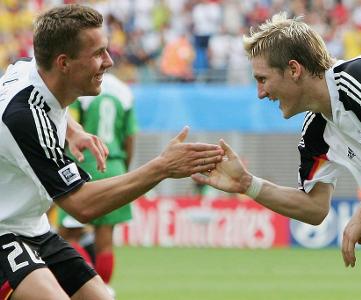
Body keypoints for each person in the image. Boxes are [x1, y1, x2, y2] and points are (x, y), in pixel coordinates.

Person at [192, 12, 361, 299]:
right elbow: (314, 208)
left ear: (293, 69)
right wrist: (247, 184)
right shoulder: (317, 129)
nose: (260, 93)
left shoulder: (357, 79)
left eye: (263, 79)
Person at [0, 4, 223, 300]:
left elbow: (41, 102)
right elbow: (82, 205)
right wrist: (162, 167)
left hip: (32, 227)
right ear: (64, 63)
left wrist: (74, 130)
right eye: (97, 53)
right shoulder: (24, 117)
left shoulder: (29, 69)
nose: (109, 61)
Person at [57, 72, 139, 292]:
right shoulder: (124, 91)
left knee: (65, 237)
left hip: (86, 161)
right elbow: (130, 137)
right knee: (105, 239)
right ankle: (104, 290)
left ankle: (85, 286)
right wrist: (123, 169)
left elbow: (67, 127)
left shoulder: (85, 87)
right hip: (115, 164)